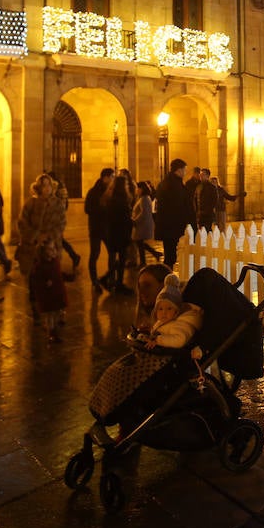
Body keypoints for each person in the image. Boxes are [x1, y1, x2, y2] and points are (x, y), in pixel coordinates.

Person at [87, 268, 203, 431]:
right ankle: (108, 410)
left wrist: (157, 339)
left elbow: (177, 338)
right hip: (150, 361)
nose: (141, 292)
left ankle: (120, 418)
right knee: (117, 371)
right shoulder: (157, 314)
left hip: (162, 366)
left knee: (126, 380)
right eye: (139, 286)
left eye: (147, 286)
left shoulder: (178, 319)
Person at [16, 174, 68, 324]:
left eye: (49, 185)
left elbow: (61, 223)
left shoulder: (57, 204)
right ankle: (35, 308)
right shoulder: (30, 204)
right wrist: (35, 236)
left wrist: (49, 237)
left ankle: (57, 310)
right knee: (34, 279)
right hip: (33, 248)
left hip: (52, 247)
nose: (46, 188)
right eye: (43, 185)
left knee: (54, 279)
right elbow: (22, 223)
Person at [154, 159, 195, 270]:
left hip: (167, 224)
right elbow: (179, 205)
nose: (185, 172)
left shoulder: (166, 183)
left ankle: (167, 274)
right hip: (171, 225)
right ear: (179, 170)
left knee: (170, 251)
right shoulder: (174, 185)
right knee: (170, 253)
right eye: (184, 170)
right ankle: (167, 276)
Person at [101, 171, 136, 293]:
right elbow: (125, 219)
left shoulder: (109, 198)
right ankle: (118, 282)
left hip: (111, 232)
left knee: (112, 257)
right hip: (121, 233)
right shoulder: (122, 200)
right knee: (122, 259)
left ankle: (110, 280)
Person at [83, 168, 114, 293]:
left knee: (112, 253)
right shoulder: (93, 192)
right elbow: (87, 209)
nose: (113, 180)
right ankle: (95, 281)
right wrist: (103, 210)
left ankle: (109, 278)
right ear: (105, 178)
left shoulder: (111, 192)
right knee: (94, 254)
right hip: (96, 228)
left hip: (108, 228)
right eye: (111, 177)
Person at [131, 180, 163, 266]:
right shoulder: (144, 198)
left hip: (142, 225)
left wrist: (135, 221)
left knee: (139, 242)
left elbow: (143, 213)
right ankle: (154, 254)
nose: (137, 190)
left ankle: (143, 262)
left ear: (141, 189)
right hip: (143, 224)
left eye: (138, 188)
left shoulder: (144, 199)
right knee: (139, 243)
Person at [193, 168, 221, 233]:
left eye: (203, 175)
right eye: (200, 175)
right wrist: (197, 210)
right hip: (200, 214)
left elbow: (215, 200)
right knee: (200, 231)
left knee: (207, 230)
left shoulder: (212, 187)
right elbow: (195, 199)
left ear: (207, 176)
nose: (201, 176)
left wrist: (209, 209)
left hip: (208, 214)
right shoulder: (198, 186)